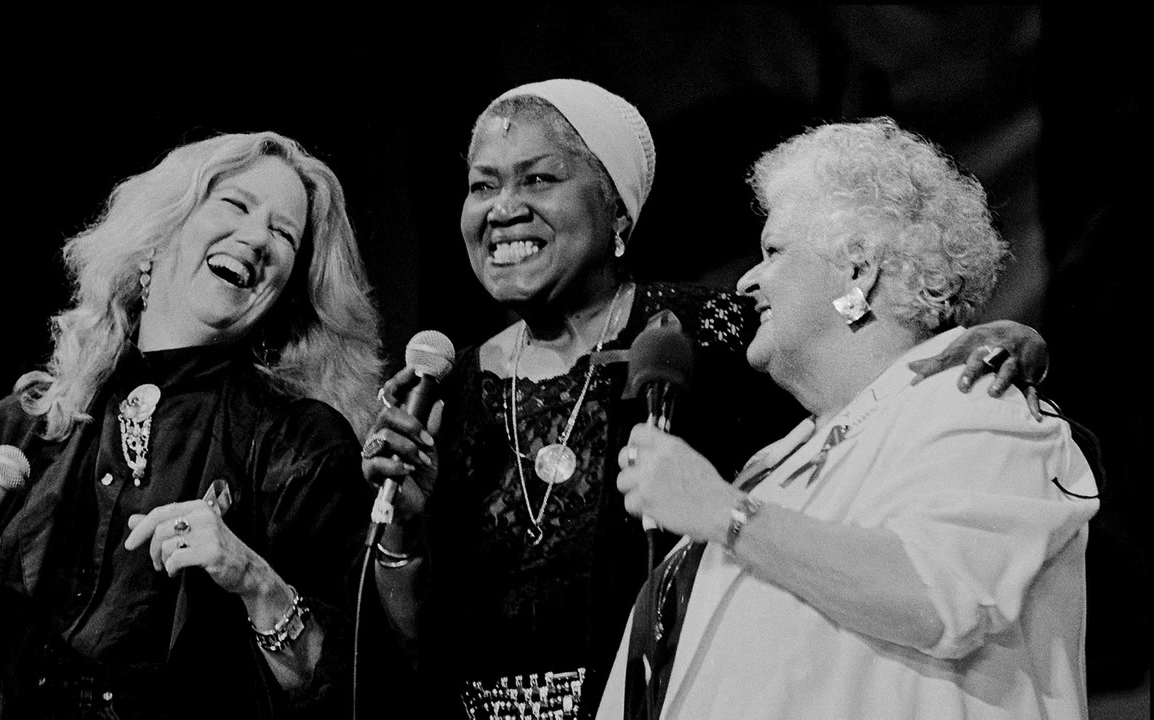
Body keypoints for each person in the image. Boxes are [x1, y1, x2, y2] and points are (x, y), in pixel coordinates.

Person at [362, 79, 1052, 719]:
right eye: (482, 185)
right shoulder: (445, 393)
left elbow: (864, 363)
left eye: (538, 178)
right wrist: (402, 533)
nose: (503, 208)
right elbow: (415, 645)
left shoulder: (710, 335)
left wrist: (999, 338)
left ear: (617, 208)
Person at [599, 117, 1099, 719]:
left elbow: (933, 594)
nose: (747, 280)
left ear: (858, 270)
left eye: (773, 252)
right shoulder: (775, 463)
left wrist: (722, 512)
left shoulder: (976, 402)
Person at [0, 132, 384, 719]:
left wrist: (254, 580)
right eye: (235, 205)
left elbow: (348, 691)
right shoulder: (20, 430)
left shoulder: (299, 445)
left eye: (284, 234)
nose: (258, 238)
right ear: (157, 232)